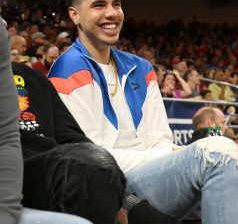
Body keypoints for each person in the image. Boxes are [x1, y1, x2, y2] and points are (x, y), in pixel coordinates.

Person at [49, 0, 238, 224]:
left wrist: (177, 157)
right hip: (120, 187)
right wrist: (180, 157)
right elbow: (94, 159)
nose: (112, 13)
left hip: (163, 174)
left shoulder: (140, 67)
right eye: (99, 5)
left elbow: (161, 139)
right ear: (74, 15)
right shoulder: (67, 70)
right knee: (217, 150)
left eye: (116, 4)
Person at [13, 61, 181, 224]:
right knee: (87, 172)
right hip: (16, 172)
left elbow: (73, 137)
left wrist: (122, 195)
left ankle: (127, 201)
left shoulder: (29, 75)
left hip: (57, 171)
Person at [0, 16, 91, 224]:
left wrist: (105, 166)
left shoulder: (33, 77)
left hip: (52, 169)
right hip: (21, 177)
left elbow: (72, 135)